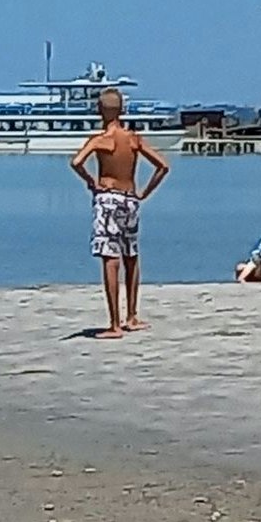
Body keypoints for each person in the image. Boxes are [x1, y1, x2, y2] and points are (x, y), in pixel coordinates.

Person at [68, 87, 170, 337]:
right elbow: (163, 166)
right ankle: (132, 316)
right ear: (122, 109)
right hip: (130, 199)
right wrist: (144, 193)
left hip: (108, 199)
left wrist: (91, 182)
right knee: (131, 256)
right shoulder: (133, 139)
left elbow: (76, 162)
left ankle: (114, 324)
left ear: (99, 110)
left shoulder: (100, 139)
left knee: (110, 260)